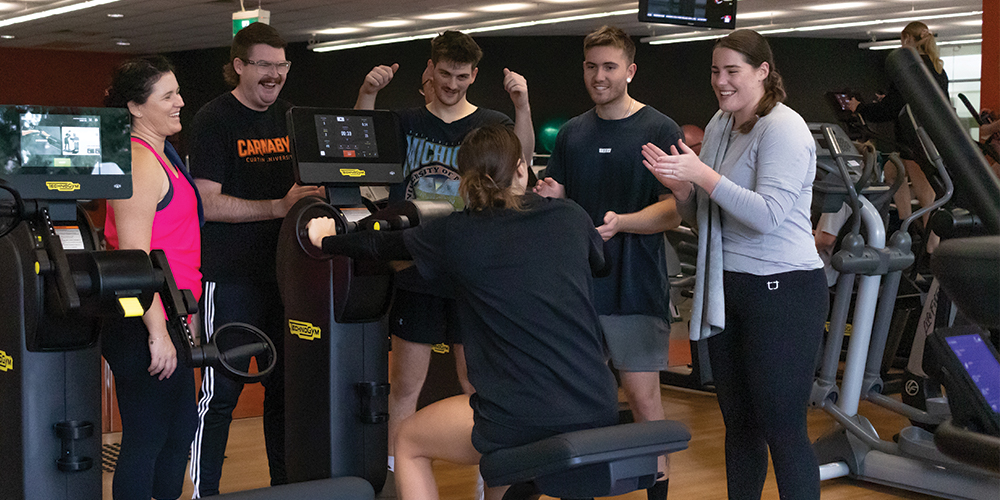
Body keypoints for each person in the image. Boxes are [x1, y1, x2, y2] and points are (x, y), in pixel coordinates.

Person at [306, 124, 618, 500]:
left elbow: (377, 244)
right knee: (503, 465)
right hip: (597, 404)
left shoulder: (458, 232)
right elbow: (600, 265)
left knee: (408, 441)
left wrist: (325, 239)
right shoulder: (570, 215)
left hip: (519, 417)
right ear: (522, 168)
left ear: (463, 178)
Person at [642, 29, 827, 500]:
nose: (721, 82)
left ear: (763, 72)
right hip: (728, 285)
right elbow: (705, 219)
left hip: (783, 289)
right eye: (715, 71)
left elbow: (766, 216)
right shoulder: (721, 124)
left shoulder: (784, 127)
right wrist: (682, 189)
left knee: (782, 427)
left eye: (732, 72)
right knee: (740, 425)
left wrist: (701, 173)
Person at [353, 30, 535, 472]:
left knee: (477, 383)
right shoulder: (406, 120)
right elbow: (360, 147)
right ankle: (399, 473)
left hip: (472, 273)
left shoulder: (491, 122)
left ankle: (484, 474)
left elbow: (521, 163)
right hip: (417, 267)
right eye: (445, 74)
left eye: (461, 76)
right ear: (430, 70)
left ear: (474, 75)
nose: (452, 84)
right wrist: (367, 93)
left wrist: (522, 106)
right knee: (405, 386)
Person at [533, 25, 681, 500]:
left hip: (634, 285)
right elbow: (559, 194)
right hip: (579, 287)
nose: (599, 76)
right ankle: (584, 488)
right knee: (582, 400)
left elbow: (674, 210)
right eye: (592, 66)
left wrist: (623, 222)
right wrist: (554, 195)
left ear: (630, 70)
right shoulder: (574, 133)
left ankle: (656, 491)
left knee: (642, 398)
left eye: (610, 67)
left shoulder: (659, 129)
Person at [187, 22, 323, 497]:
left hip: (286, 277)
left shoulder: (290, 116)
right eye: (264, 64)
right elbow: (205, 202)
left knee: (284, 392)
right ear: (239, 65)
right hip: (230, 279)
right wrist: (276, 208)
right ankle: (206, 493)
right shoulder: (213, 120)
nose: (275, 74)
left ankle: (282, 487)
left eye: (281, 65)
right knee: (220, 394)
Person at [102, 55, 201, 500]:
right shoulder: (140, 165)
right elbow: (133, 260)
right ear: (136, 108)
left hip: (172, 314)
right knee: (149, 437)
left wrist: (186, 319)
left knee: (178, 432)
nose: (180, 102)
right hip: (142, 320)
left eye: (178, 91)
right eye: (168, 95)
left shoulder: (166, 156)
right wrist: (158, 331)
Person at [848, 21, 948, 239]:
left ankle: (931, 244)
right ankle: (906, 225)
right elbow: (910, 102)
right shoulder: (938, 69)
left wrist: (860, 108)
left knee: (925, 192)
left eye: (903, 40)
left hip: (914, 137)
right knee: (893, 174)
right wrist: (891, 99)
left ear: (908, 39)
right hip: (929, 134)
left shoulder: (908, 70)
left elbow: (890, 110)